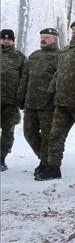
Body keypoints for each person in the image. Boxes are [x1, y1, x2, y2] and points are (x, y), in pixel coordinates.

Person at [36, 20, 75, 181]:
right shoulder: (65, 50)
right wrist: (51, 91)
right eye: (73, 29)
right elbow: (59, 73)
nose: (74, 31)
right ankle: (53, 167)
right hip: (61, 102)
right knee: (55, 136)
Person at [17, 28, 60, 178]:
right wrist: (20, 96)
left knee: (48, 136)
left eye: (47, 37)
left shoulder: (60, 56)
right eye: (42, 37)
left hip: (48, 105)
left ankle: (46, 164)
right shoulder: (34, 56)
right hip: (30, 103)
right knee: (29, 133)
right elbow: (25, 78)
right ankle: (44, 159)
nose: (43, 39)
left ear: (55, 39)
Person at [0, 29, 27, 171]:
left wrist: (21, 97)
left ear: (13, 40)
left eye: (9, 39)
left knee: (7, 131)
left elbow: (25, 77)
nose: (6, 41)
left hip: (11, 101)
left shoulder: (19, 57)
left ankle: (1, 158)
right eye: (3, 38)